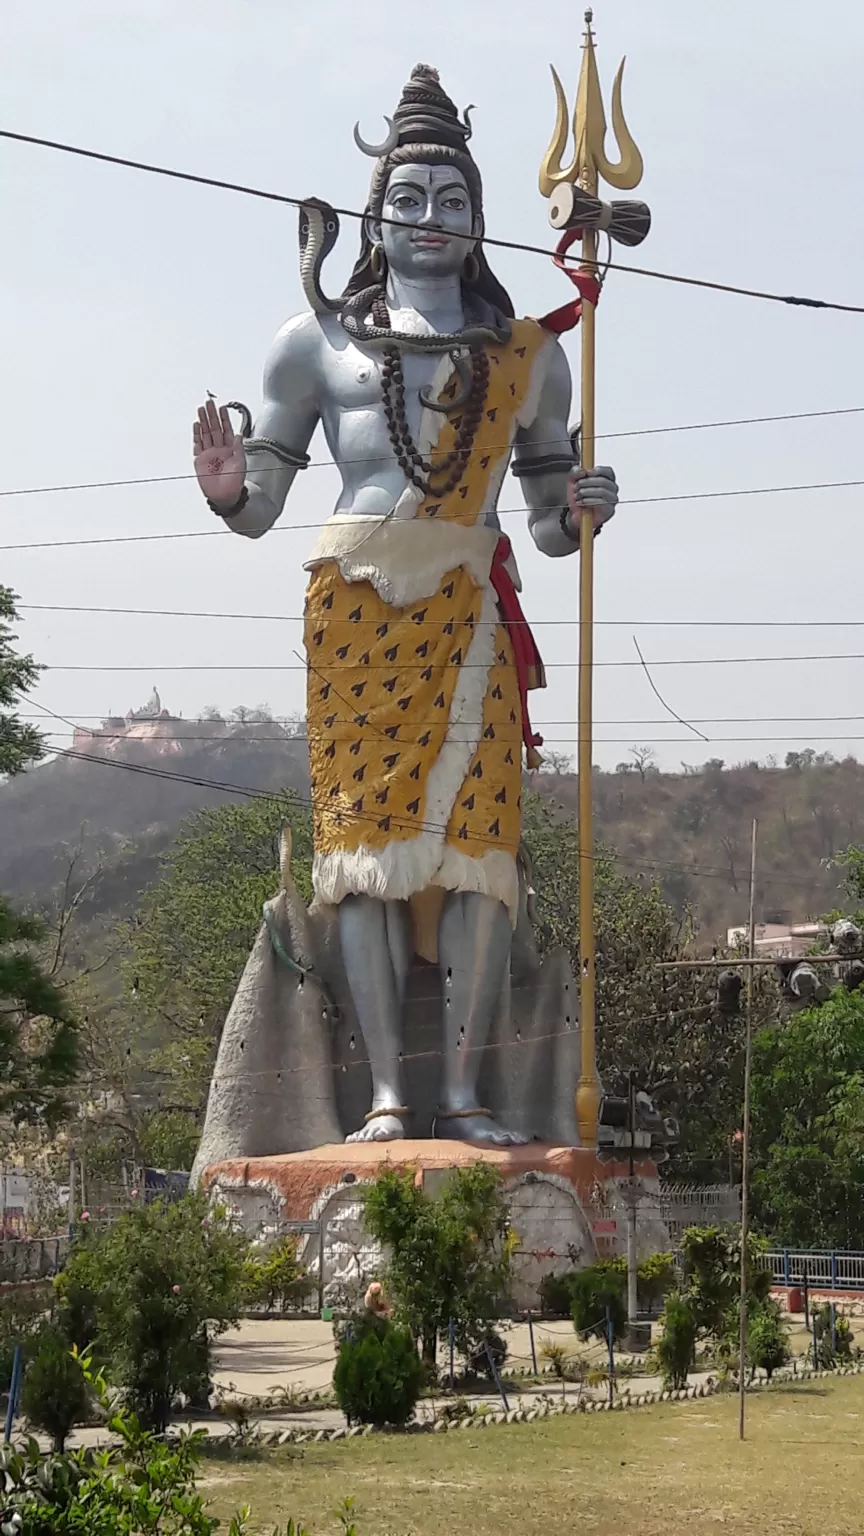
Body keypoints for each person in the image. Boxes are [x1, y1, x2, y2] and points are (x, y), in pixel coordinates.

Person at [192, 65, 617, 1146]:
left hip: (469, 609)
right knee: (367, 863)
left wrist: (582, 507)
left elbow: (552, 530)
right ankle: (388, 1094)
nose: (432, 220)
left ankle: (465, 1096)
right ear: (377, 213)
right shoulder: (317, 345)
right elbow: (264, 506)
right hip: (355, 618)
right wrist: (232, 491)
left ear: (481, 221)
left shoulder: (530, 358)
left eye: (455, 201)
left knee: (477, 858)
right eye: (411, 199)